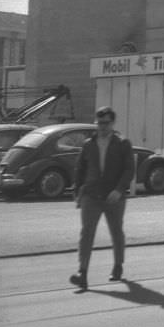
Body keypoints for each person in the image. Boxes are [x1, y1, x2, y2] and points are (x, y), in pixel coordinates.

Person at [69, 107, 136, 291]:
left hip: (114, 197)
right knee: (87, 232)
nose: (102, 127)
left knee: (116, 231)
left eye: (105, 123)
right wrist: (77, 192)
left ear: (113, 123)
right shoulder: (89, 144)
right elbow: (80, 169)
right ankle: (82, 272)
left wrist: (119, 189)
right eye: (99, 123)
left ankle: (118, 265)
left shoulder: (122, 143)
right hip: (92, 195)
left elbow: (129, 169)